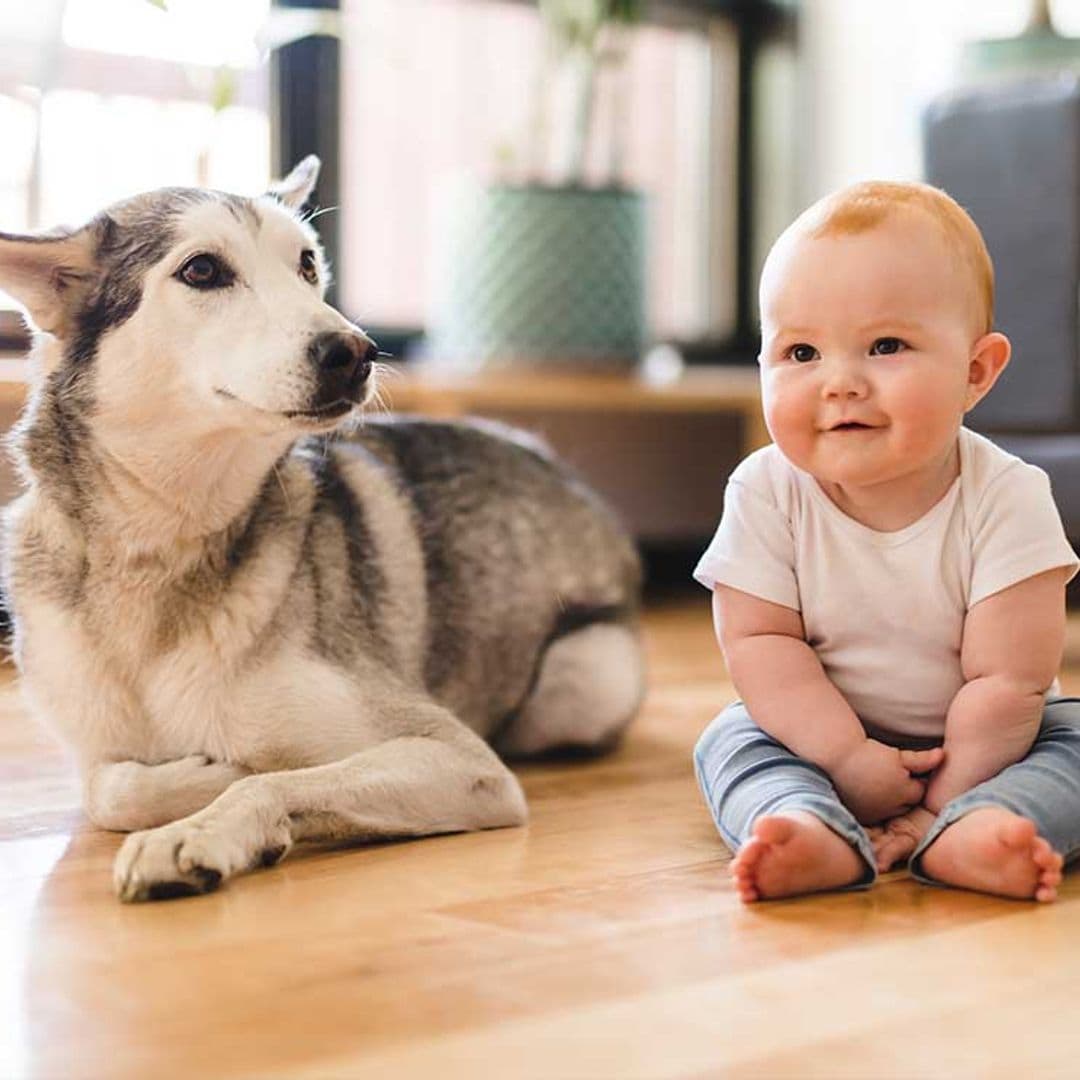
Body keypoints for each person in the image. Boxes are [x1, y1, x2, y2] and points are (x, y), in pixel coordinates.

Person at [693, 180, 1080, 904]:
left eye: (885, 345)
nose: (839, 382)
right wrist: (843, 755)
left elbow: (1008, 681)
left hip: (994, 744)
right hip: (814, 731)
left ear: (976, 371)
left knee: (1074, 741)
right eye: (801, 352)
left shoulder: (1009, 497)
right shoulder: (765, 490)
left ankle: (980, 825)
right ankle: (804, 824)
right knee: (732, 739)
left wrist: (938, 802)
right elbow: (760, 644)